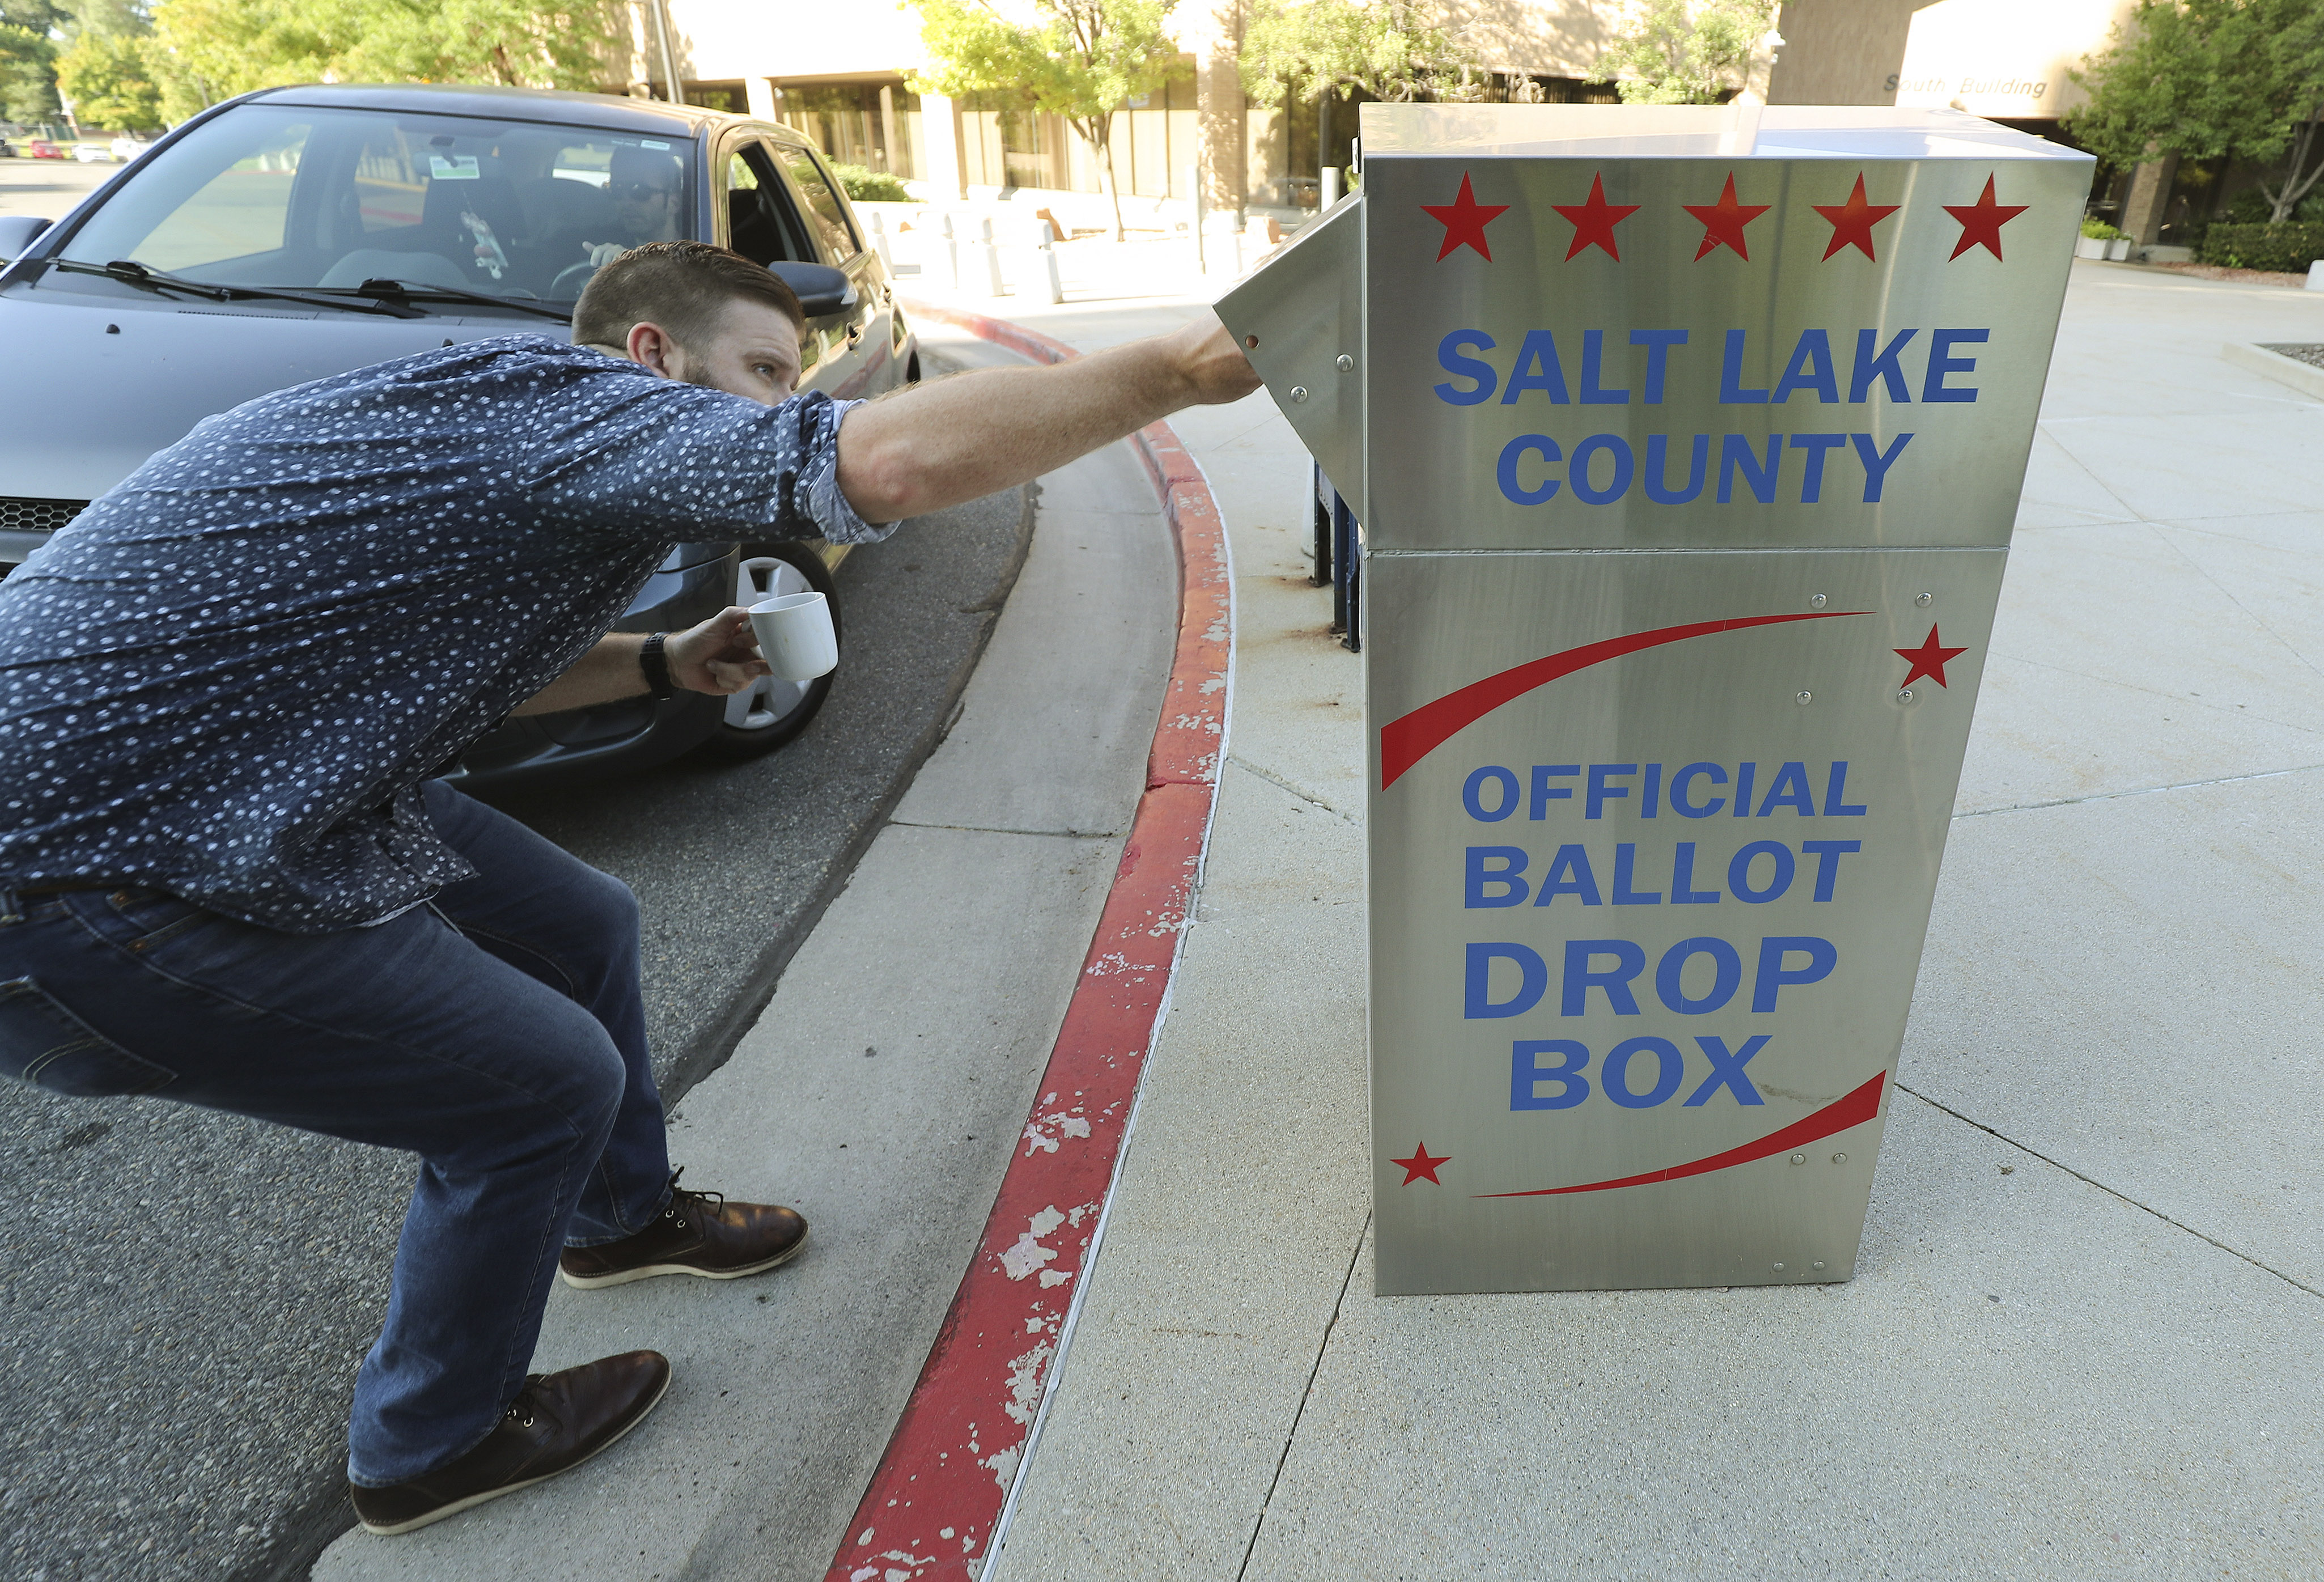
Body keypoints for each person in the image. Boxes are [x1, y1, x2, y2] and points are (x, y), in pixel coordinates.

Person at [0, 240, 1260, 1535]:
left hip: (257, 771)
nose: (784, 404)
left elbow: (474, 670)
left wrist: (662, 661)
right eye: (763, 372)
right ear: (652, 353)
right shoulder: (574, 408)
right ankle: (432, 1436)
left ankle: (614, 1216)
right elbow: (876, 462)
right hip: (74, 861)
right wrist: (1174, 365)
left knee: (579, 923)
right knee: (541, 1080)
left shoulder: (520, 438)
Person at [580, 144, 686, 268]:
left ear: (674, 202)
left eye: (640, 191)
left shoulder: (700, 252)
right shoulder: (597, 245)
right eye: (617, 189)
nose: (626, 202)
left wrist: (632, 267)